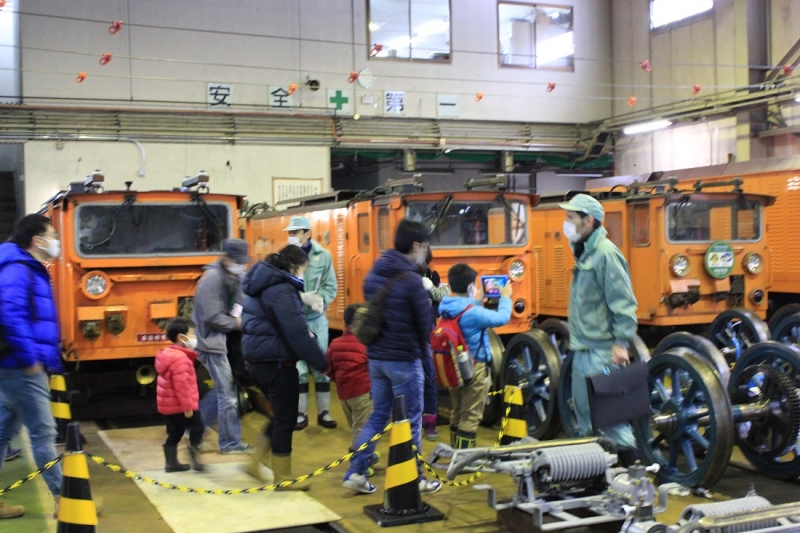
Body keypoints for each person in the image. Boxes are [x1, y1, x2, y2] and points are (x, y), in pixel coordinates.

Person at [342, 219, 441, 495]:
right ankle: (415, 478)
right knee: (411, 419)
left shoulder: (374, 273)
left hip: (376, 358)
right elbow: (425, 326)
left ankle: (357, 472)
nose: (426, 252)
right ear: (416, 246)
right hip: (405, 360)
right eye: (426, 246)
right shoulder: (411, 281)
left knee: (378, 416)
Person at [241, 245, 328, 490]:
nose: (304, 274)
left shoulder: (261, 285)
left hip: (259, 360)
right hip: (277, 362)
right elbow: (297, 333)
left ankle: (255, 463)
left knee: (280, 415)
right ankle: (282, 476)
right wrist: (322, 363)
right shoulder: (282, 290)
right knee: (286, 418)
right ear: (293, 267)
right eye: (304, 269)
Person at [558, 194, 639, 454]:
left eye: (571, 218)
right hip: (583, 349)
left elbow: (623, 303)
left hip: (603, 353)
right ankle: (597, 478)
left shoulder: (605, 254)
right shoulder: (585, 254)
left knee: (612, 419)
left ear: (589, 221)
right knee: (586, 419)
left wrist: (620, 344)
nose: (567, 223)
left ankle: (632, 476)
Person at [0, 214, 64, 519]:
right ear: (37, 241)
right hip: (20, 368)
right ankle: (65, 500)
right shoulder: (18, 267)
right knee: (42, 434)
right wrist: (31, 360)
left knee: (2, 432)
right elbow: (10, 312)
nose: (56, 241)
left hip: (10, 366)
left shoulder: (19, 264)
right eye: (52, 235)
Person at [438, 264, 511, 449]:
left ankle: (455, 452)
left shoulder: (446, 306)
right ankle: (464, 460)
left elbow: (466, 315)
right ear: (471, 286)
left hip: (455, 367)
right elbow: (501, 318)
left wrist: (477, 300)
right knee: (471, 416)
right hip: (474, 368)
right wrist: (505, 298)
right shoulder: (473, 313)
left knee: (458, 410)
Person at [193, 239, 254, 454]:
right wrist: (238, 323)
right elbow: (212, 317)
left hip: (229, 340)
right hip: (211, 342)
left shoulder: (236, 275)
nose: (242, 266)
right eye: (238, 262)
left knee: (226, 390)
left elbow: (240, 302)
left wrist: (241, 317)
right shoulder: (211, 279)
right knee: (226, 393)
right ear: (226, 258)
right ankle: (229, 443)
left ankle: (195, 432)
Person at [283, 216, 339, 431]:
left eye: (295, 232)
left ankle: (324, 413)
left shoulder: (323, 256)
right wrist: (298, 300)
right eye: (290, 233)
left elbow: (330, 285)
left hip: (316, 319)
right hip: (294, 320)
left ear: (307, 233)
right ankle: (301, 414)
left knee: (321, 365)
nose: (291, 236)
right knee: (299, 369)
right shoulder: (285, 257)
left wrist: (320, 300)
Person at [326, 304, 379, 475]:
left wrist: (340, 381)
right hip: (363, 394)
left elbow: (328, 368)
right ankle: (358, 467)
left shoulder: (335, 344)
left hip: (344, 396)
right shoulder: (366, 345)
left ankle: (366, 457)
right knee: (362, 430)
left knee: (356, 428)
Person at [156, 317, 205, 473]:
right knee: (198, 428)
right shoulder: (181, 359)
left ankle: (171, 463)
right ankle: (194, 453)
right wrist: (188, 407)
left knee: (175, 432)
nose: (195, 337)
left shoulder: (168, 355)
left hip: (168, 405)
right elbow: (182, 386)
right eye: (192, 334)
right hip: (181, 405)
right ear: (181, 337)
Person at [420, 249, 449, 441]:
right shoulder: (404, 279)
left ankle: (429, 422)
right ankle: (407, 420)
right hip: (411, 337)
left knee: (429, 377)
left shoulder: (433, 275)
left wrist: (434, 289)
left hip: (427, 332)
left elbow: (440, 298)